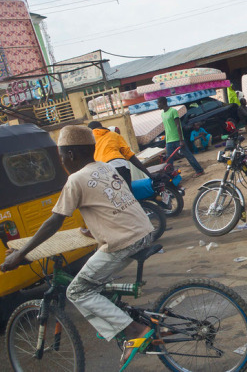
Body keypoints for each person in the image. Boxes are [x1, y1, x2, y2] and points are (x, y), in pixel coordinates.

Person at [0, 126, 155, 368]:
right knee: (96, 283)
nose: (61, 161)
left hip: (123, 242)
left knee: (77, 291)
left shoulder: (76, 179)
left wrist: (21, 253)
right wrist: (93, 229)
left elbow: (54, 222)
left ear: (71, 155)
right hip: (144, 231)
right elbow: (110, 206)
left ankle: (134, 331)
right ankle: (128, 326)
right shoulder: (105, 167)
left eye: (61, 156)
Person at [87, 121, 153, 188]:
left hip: (102, 170)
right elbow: (130, 156)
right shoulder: (114, 135)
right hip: (120, 165)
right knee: (128, 191)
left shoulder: (90, 141)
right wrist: (150, 175)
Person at [157, 97, 204, 177]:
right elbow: (167, 128)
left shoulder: (173, 111)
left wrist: (181, 140)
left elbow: (178, 126)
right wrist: (166, 141)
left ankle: (199, 170)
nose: (158, 105)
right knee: (169, 160)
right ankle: (171, 177)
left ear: (164, 102)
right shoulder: (162, 114)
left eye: (159, 103)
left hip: (177, 139)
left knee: (188, 155)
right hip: (169, 141)